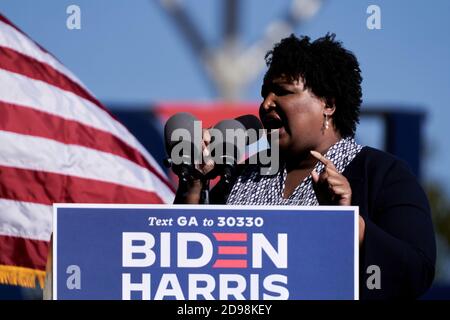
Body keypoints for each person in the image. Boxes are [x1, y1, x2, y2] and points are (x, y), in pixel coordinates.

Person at [175, 33, 436, 299]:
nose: (266, 104)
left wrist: (346, 223)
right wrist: (194, 182)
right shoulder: (243, 175)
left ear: (329, 104)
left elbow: (416, 273)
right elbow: (184, 264)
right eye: (265, 93)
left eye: (284, 92)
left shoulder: (381, 173)